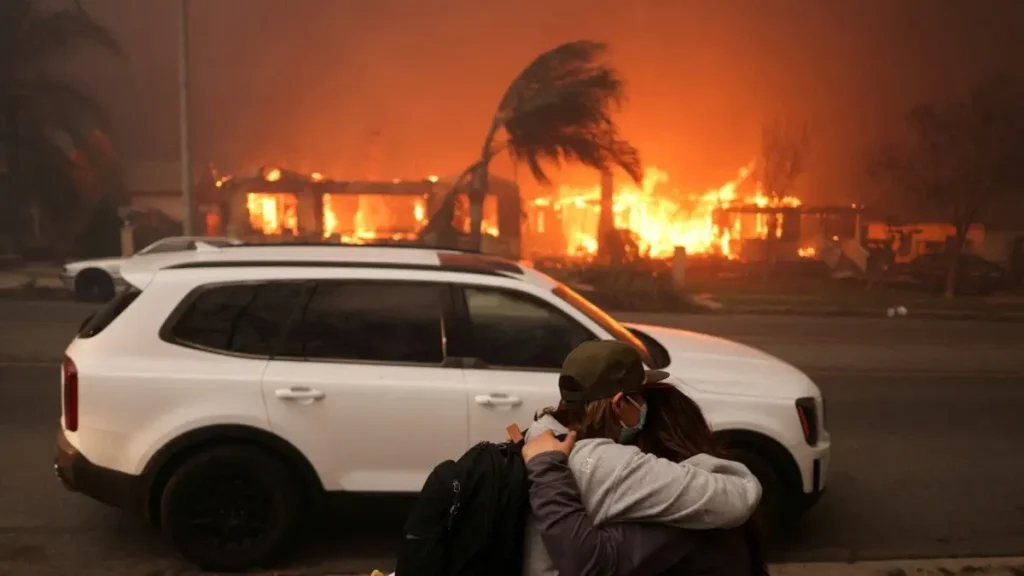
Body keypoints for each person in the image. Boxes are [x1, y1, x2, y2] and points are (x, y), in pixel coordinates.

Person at [521, 340, 766, 576]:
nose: (642, 405)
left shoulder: (540, 435)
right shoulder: (609, 464)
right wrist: (680, 469)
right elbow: (739, 496)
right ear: (619, 403)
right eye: (639, 397)